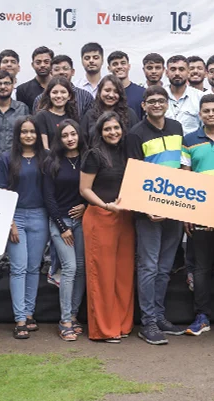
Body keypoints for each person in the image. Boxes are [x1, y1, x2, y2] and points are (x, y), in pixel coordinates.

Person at [126, 85, 186, 344]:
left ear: (167, 103)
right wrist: (147, 208)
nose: (157, 104)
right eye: (151, 101)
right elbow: (134, 175)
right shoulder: (135, 134)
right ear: (144, 105)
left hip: (174, 208)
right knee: (148, 267)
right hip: (148, 213)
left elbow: (182, 165)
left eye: (161, 100)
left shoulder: (177, 127)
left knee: (163, 268)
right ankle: (148, 321)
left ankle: (159, 316)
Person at [80, 112, 135, 342]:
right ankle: (104, 329)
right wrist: (105, 205)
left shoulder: (127, 153)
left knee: (123, 274)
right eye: (107, 129)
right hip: (100, 217)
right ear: (100, 132)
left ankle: (122, 324)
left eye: (116, 128)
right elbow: (84, 189)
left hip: (125, 219)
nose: (113, 132)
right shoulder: (94, 155)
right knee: (102, 275)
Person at [0, 116, 48, 339]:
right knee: (18, 268)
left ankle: (29, 313)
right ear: (18, 134)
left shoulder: (45, 157)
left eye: (32, 131)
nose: (28, 135)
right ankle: (20, 319)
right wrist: (10, 222)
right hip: (16, 216)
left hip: (40, 216)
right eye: (24, 132)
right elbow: (1, 191)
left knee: (34, 268)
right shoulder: (6, 158)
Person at [181, 95, 214, 336]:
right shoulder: (189, 140)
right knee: (202, 267)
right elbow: (185, 177)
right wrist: (186, 213)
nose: (211, 114)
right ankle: (202, 316)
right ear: (200, 114)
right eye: (206, 111)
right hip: (200, 212)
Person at [43, 119, 86, 342]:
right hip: (60, 222)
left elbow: (93, 188)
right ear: (59, 139)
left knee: (81, 269)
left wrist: (86, 206)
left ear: (79, 135)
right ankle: (65, 320)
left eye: (73, 134)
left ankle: (74, 314)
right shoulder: (52, 162)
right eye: (65, 135)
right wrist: (62, 227)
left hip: (82, 221)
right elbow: (48, 198)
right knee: (70, 268)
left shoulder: (87, 159)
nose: (70, 138)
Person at [80, 75, 138, 145]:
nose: (111, 95)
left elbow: (136, 140)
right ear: (99, 91)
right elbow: (83, 142)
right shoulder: (90, 115)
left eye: (116, 91)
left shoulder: (130, 114)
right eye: (107, 90)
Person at [0, 70, 29, 156]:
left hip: (16, 158)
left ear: (13, 86)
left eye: (7, 83)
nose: (3, 87)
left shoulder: (22, 108)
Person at [34, 76, 79, 149]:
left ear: (69, 96)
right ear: (49, 95)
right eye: (55, 92)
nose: (59, 96)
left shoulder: (73, 115)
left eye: (63, 92)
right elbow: (44, 148)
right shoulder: (41, 116)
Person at [165, 54, 204, 136]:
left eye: (181, 69)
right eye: (173, 69)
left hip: (192, 143)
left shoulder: (200, 97)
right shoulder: (159, 96)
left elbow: (205, 128)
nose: (177, 73)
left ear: (188, 72)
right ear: (166, 73)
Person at [15, 46, 53, 113]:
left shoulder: (62, 87)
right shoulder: (22, 90)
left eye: (46, 62)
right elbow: (22, 115)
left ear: (52, 64)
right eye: (38, 62)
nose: (42, 65)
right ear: (32, 65)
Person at [108, 50, 145, 119]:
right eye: (115, 64)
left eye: (123, 63)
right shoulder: (106, 95)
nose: (119, 66)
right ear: (109, 68)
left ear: (129, 66)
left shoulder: (142, 92)